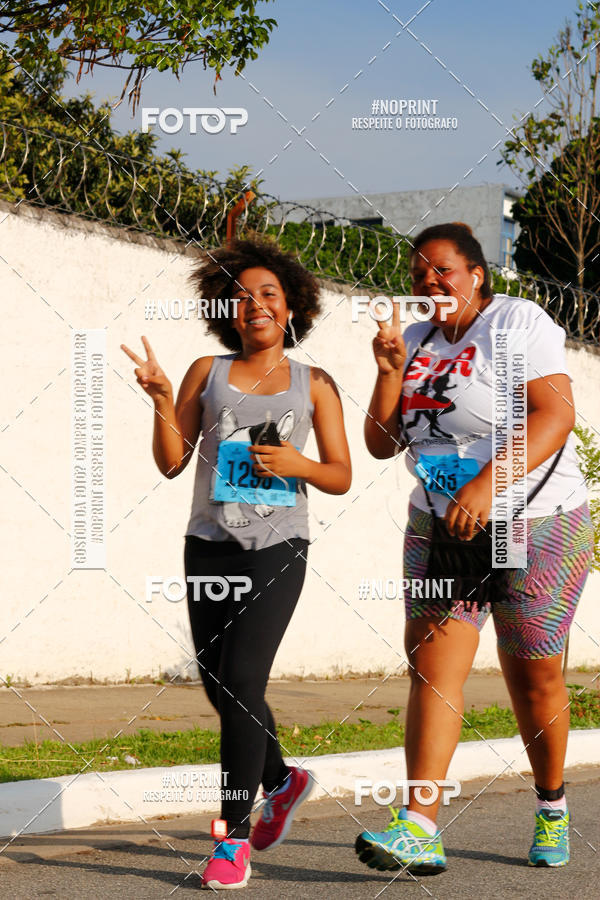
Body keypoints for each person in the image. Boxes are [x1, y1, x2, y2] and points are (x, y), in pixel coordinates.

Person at [355, 222, 594, 874]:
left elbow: (554, 413)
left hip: (537, 524)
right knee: (432, 668)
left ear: (476, 274)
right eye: (418, 275)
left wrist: (490, 485)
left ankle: (551, 804)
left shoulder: (519, 324)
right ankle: (420, 825)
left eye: (443, 271)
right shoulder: (414, 341)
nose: (429, 283)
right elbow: (382, 443)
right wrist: (388, 374)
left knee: (535, 678)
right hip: (443, 527)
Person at [122, 237, 351, 890]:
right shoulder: (207, 371)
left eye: (268, 293)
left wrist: (297, 464)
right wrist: (163, 397)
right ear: (228, 308)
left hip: (278, 550)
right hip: (207, 545)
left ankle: (231, 838)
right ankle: (282, 779)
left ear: (291, 307)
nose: (254, 303)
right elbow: (172, 462)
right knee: (219, 685)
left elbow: (339, 472)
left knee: (244, 681)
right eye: (242, 294)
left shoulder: (316, 384)